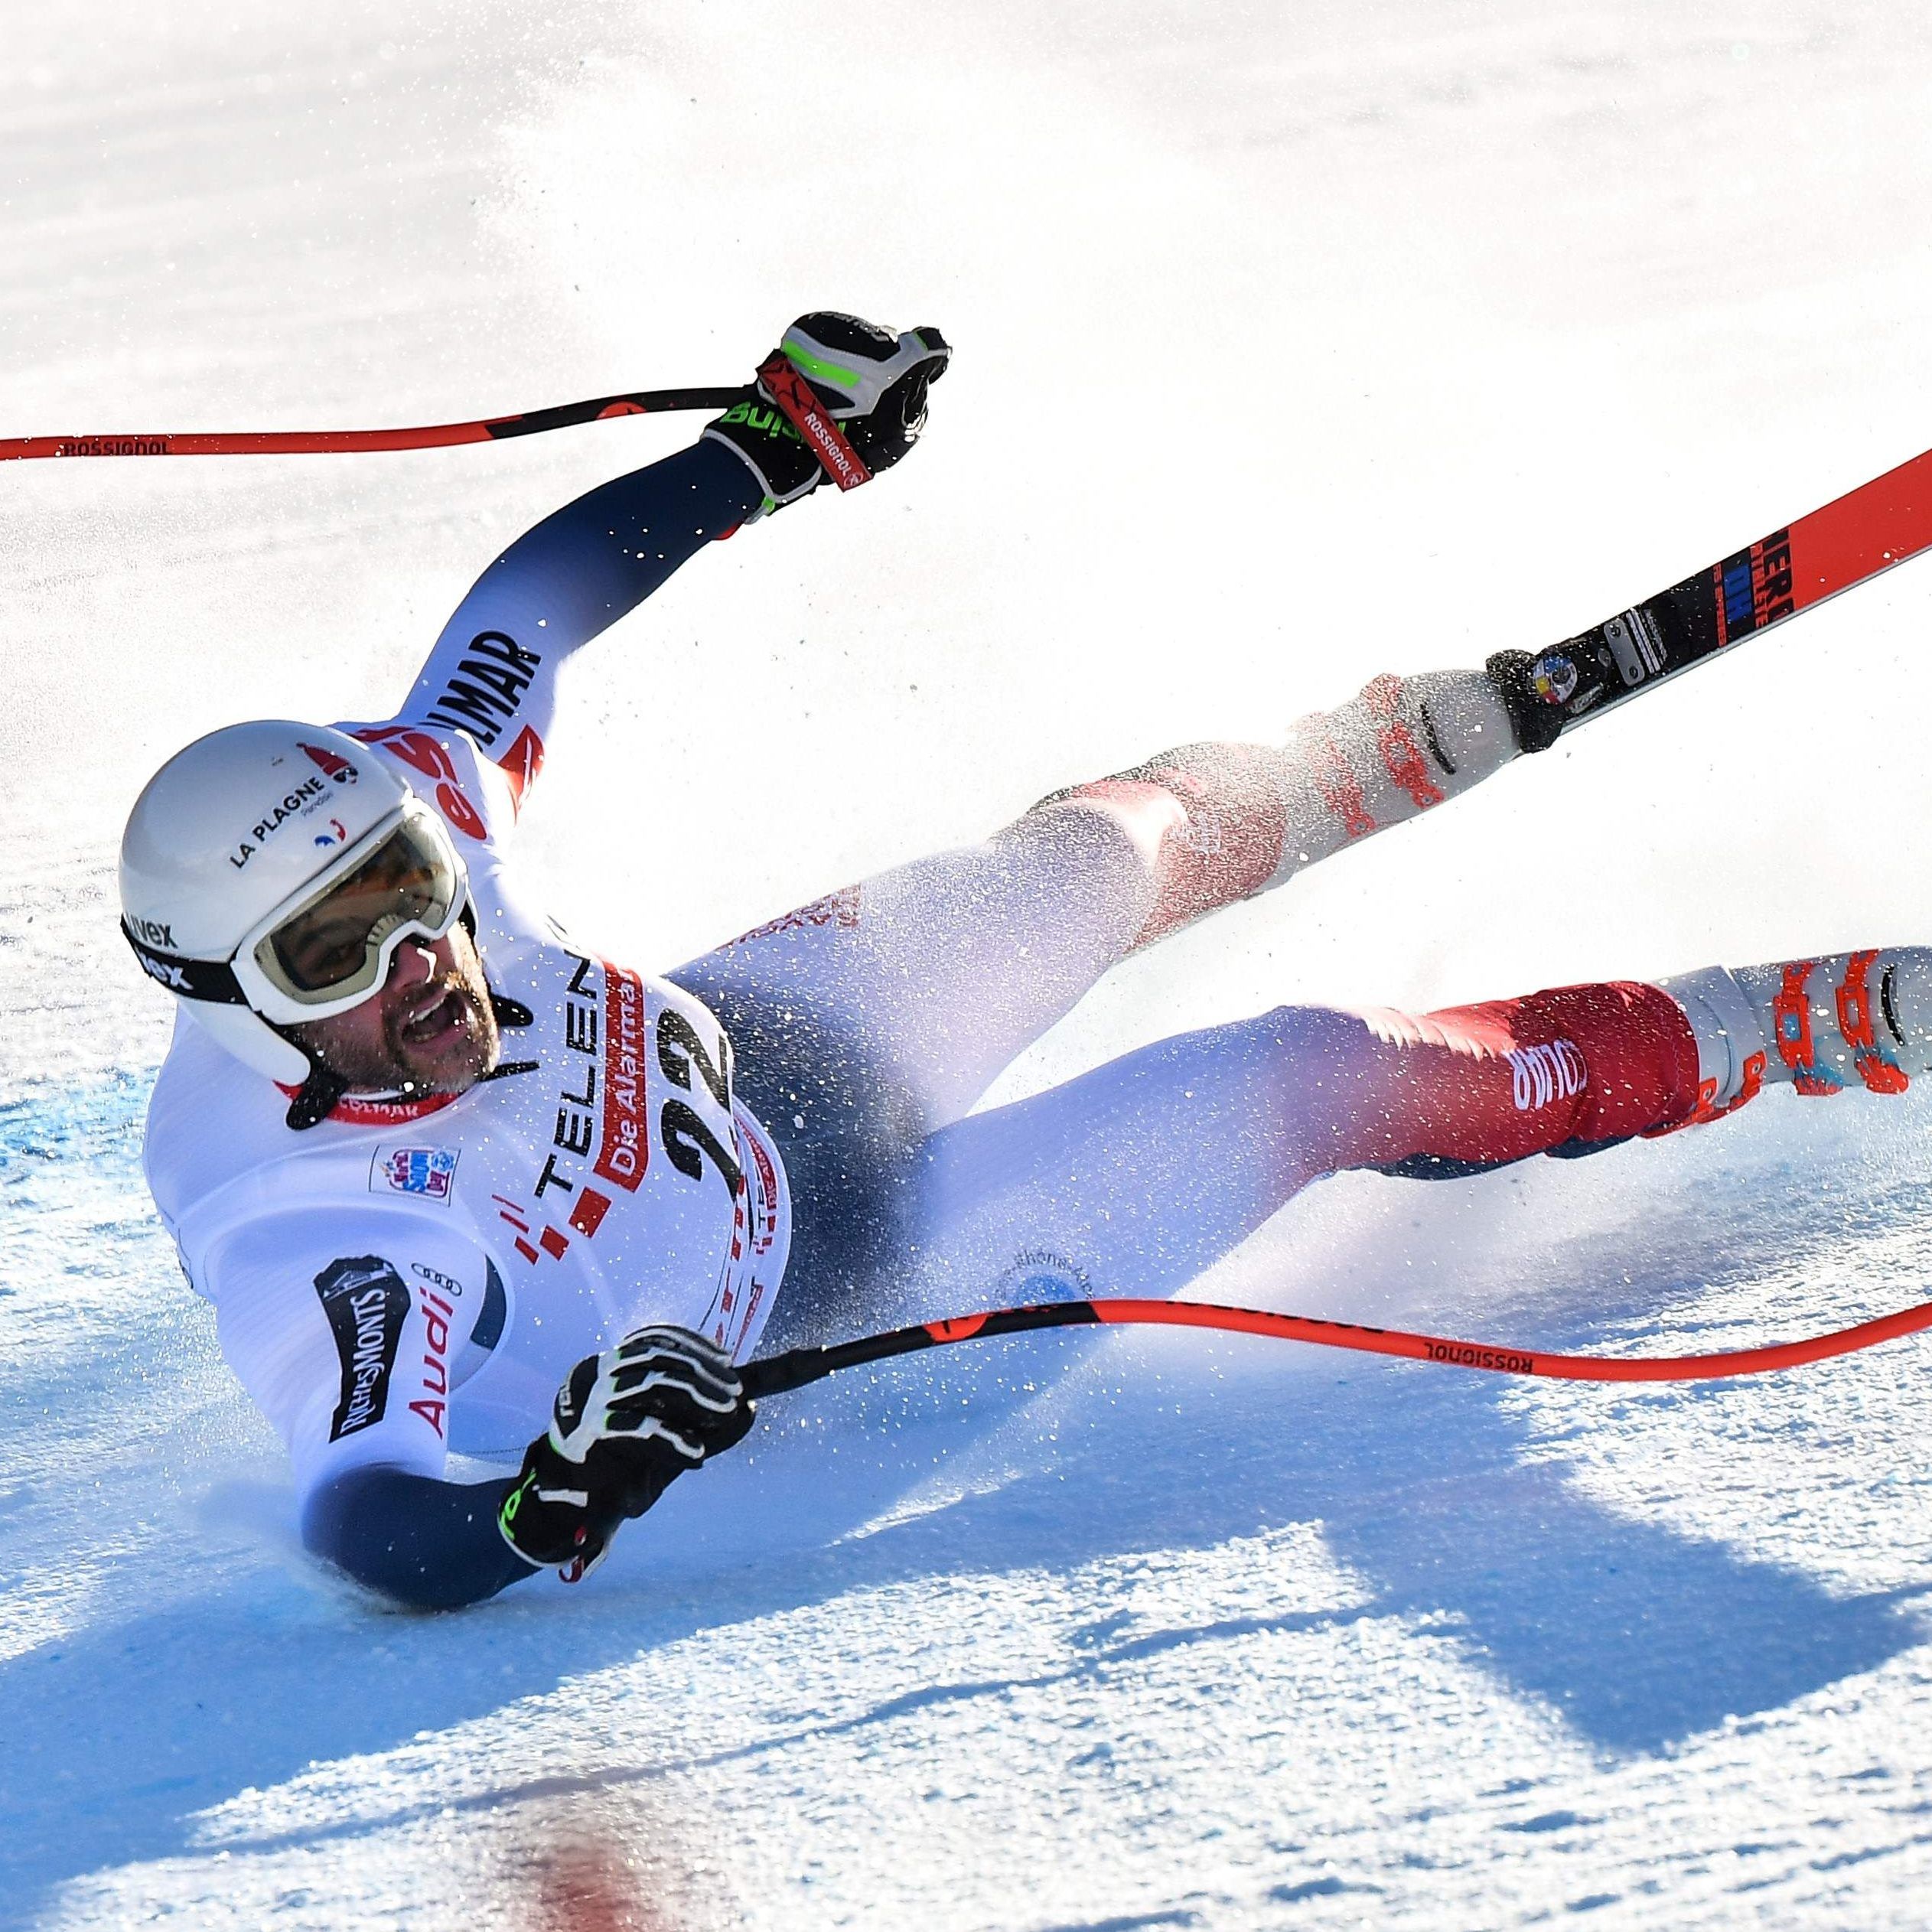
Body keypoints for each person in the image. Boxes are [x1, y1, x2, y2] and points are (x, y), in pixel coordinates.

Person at [118, 311, 1932, 1611]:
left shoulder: (407, 799)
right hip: (840, 1312)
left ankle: (1406, 742)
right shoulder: (308, 1213)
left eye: (416, 886)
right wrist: (538, 1502)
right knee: (1301, 1077)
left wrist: (763, 451)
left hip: (759, 1054)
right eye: (338, 947)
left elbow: (524, 615)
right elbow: (366, 1519)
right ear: (231, 1001)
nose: (422, 949)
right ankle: (1788, 1028)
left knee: (1096, 854)